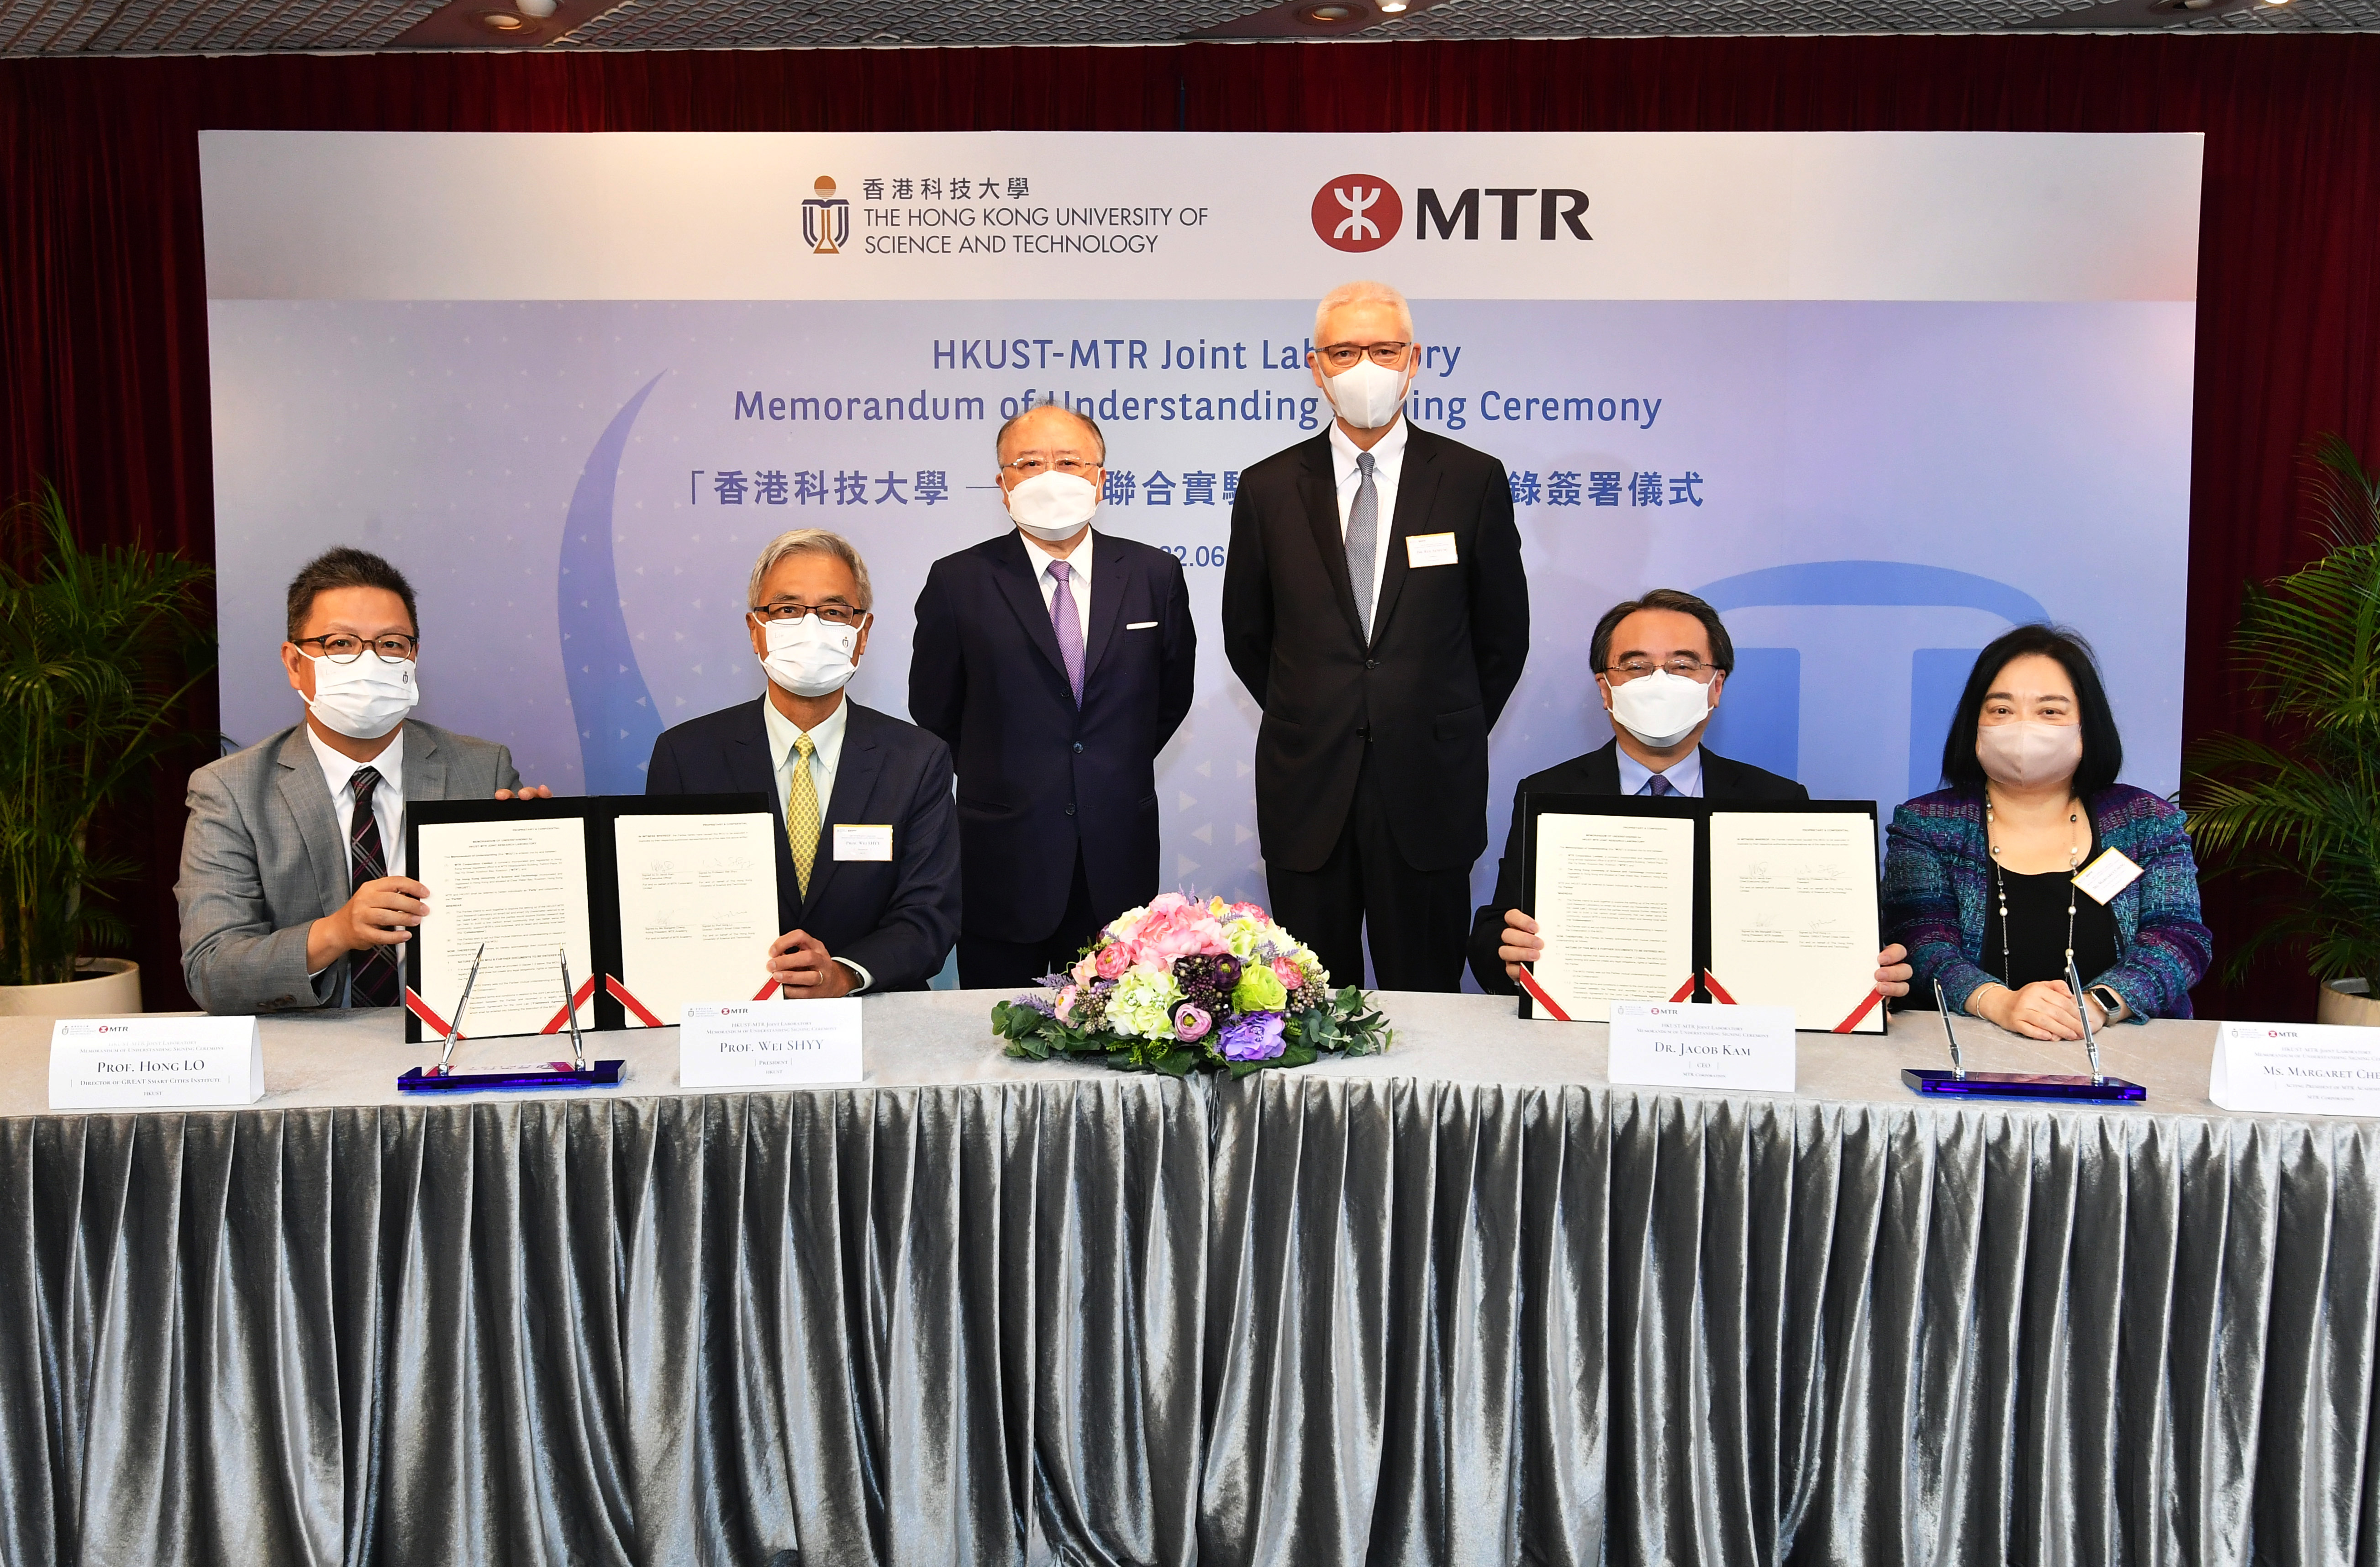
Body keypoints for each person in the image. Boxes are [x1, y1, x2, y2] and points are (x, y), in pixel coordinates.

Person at [1221, 280, 1529, 992]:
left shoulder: (1471, 479)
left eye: (1384, 350)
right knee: (1304, 1005)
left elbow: (1501, 636)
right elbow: (1249, 634)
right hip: (1309, 787)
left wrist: (1432, 715)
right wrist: (1317, 707)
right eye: (1346, 351)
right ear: (1316, 366)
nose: (1367, 367)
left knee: (1426, 1001)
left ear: (1414, 360)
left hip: (1429, 787)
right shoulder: (1268, 487)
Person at [1469, 588, 1913, 998]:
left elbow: (1817, 941)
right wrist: (1509, 954)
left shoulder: (1776, 799)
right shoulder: (1549, 793)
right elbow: (1496, 929)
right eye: (1636, 666)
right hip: (1587, 1036)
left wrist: (1866, 975)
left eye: (1682, 665)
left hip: (1733, 1048)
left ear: (1715, 686)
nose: (1659, 682)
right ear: (1606, 689)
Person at [176, 547, 550, 1014]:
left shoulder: (481, 769)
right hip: (308, 1062)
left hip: (449, 1046)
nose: (370, 663)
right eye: (341, 644)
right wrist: (336, 931)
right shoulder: (230, 790)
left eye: (391, 644)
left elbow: (525, 945)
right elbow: (212, 970)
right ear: (294, 663)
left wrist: (538, 863)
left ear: (414, 658)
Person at [910, 406, 1196, 988]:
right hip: (1003, 859)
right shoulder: (958, 581)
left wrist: (1103, 767)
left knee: (1115, 1050)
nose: (1050, 476)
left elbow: (1168, 698)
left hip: (1117, 856)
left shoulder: (1153, 574)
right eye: (1029, 463)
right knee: (995, 1044)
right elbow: (935, 711)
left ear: (1101, 478)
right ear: (1003, 484)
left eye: (1068, 462)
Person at [647, 528, 958, 995]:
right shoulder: (686, 755)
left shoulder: (917, 759)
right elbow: (662, 907)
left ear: (861, 634)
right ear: (756, 630)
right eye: (788, 609)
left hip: (877, 1021)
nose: (810, 627)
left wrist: (842, 974)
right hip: (731, 1020)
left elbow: (928, 916)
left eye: (833, 612)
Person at [1884, 623, 2210, 1036]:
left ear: (2087, 727)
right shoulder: (1927, 825)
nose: (2023, 727)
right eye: (2001, 710)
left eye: (2050, 711)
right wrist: (2000, 1003)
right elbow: (1921, 942)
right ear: (1974, 725)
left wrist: (2098, 1006)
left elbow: (2179, 937)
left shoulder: (2146, 821)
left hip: (2125, 1058)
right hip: (1970, 1059)